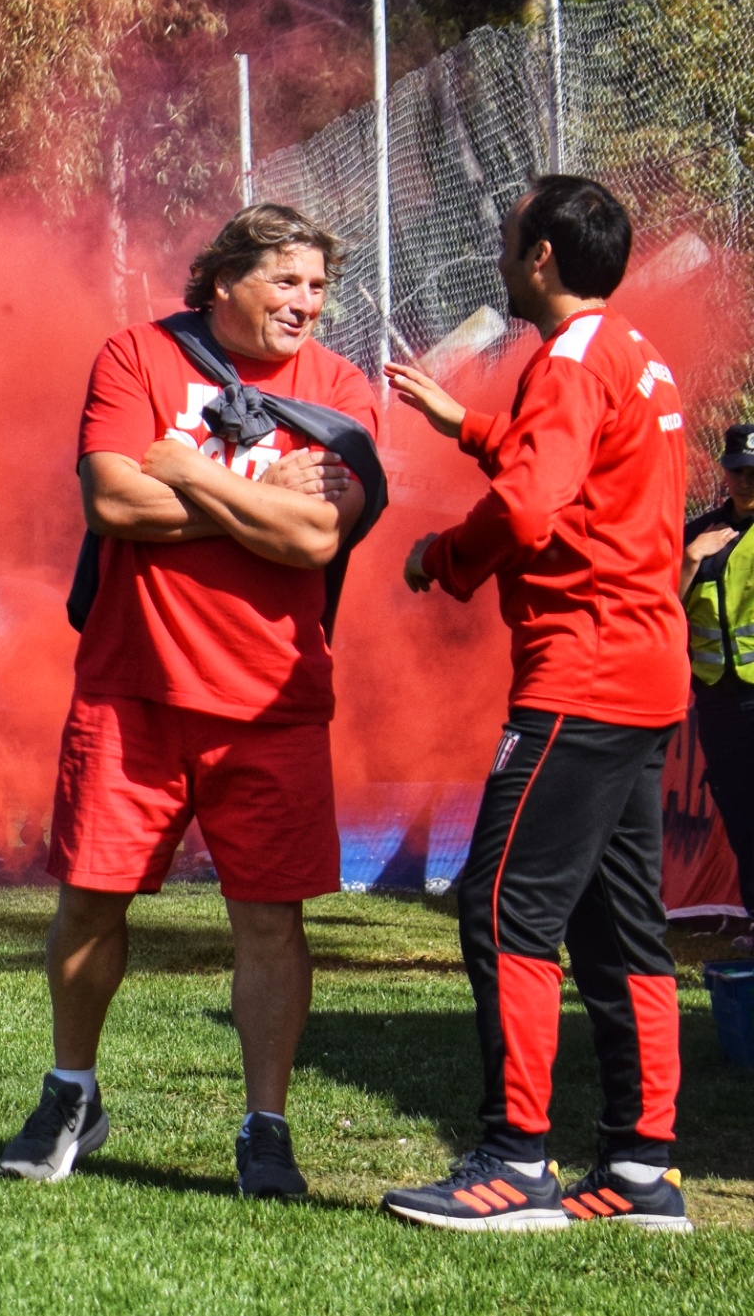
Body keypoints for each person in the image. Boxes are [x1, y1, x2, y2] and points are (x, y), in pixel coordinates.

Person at [0, 203, 384, 1196]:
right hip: (131, 691)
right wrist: (256, 492)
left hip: (273, 701)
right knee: (89, 900)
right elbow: (112, 501)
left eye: (317, 286)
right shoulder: (138, 356)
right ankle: (72, 1091)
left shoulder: (341, 391)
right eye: (285, 281)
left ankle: (266, 1126)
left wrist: (183, 469)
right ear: (222, 282)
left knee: (271, 921)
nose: (307, 303)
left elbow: (316, 538)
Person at [381, 175, 693, 1232]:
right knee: (621, 925)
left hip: (582, 675)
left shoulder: (565, 362)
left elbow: (527, 506)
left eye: (510, 238)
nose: (502, 253)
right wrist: (467, 424)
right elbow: (585, 474)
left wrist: (441, 557)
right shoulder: (632, 352)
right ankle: (643, 1169)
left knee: (504, 905)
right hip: (645, 672)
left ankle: (515, 1161)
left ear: (543, 257)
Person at [680, 423, 754, 944]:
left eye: (753, 472)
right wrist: (689, 559)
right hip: (718, 701)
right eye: (737, 471)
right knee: (741, 816)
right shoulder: (698, 534)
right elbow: (660, 606)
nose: (745, 481)